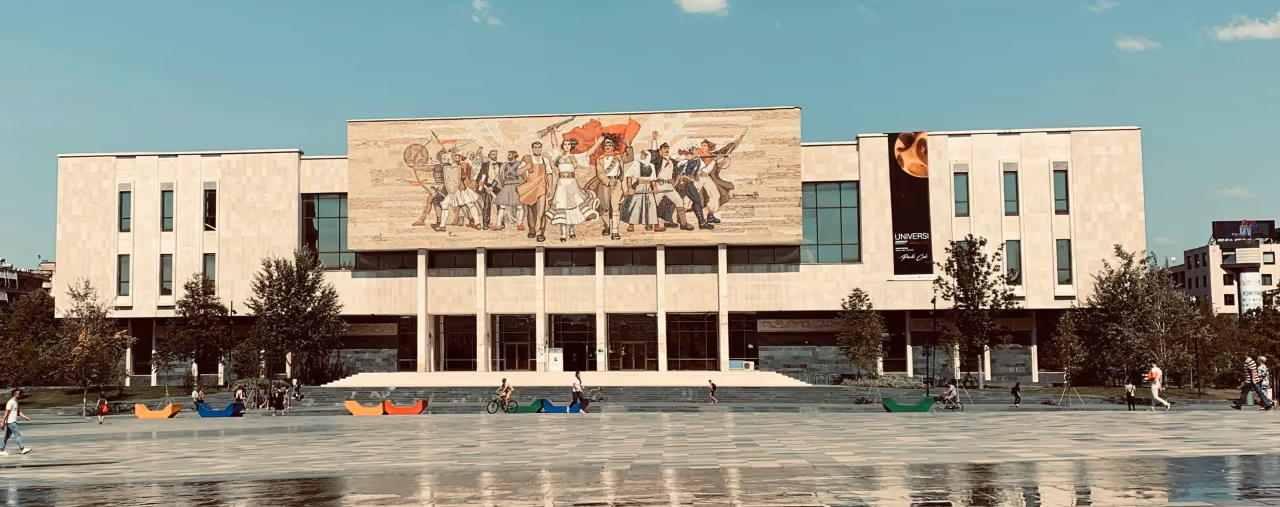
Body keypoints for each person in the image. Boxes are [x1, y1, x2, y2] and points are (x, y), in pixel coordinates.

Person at [1, 389, 32, 456]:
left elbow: (18, 412)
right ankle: (22, 448)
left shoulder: (15, 402)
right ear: (15, 394)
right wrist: (3, 422)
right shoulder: (10, 402)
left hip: (12, 422)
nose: (20, 395)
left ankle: (1, 450)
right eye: (19, 394)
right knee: (17, 435)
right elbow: (6, 412)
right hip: (11, 422)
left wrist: (25, 417)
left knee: (7, 436)